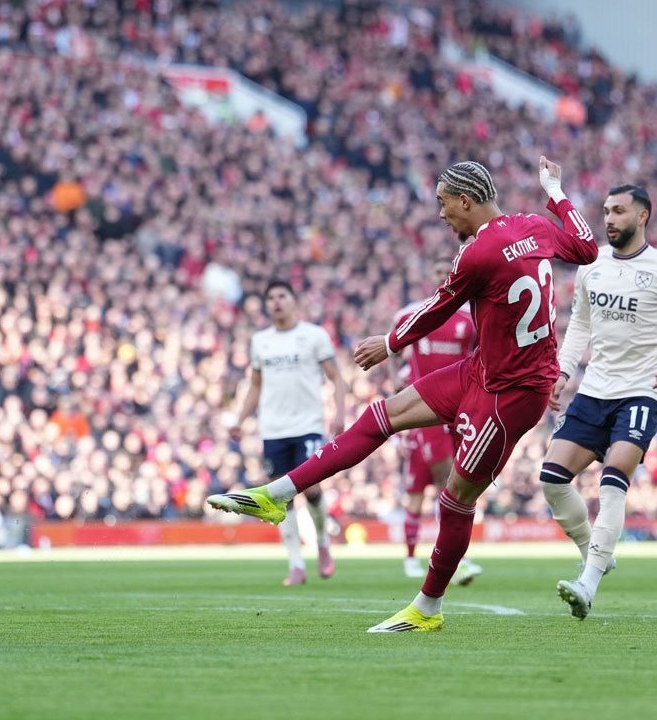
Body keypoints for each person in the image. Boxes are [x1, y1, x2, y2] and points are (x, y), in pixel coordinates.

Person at [208, 157, 599, 632]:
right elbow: (587, 246)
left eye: (443, 205)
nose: (440, 215)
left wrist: (390, 343)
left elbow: (438, 307)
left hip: (511, 394)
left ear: (465, 201)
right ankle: (277, 494)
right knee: (382, 415)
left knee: (455, 498)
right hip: (483, 370)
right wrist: (555, 191)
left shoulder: (477, 254)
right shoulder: (535, 226)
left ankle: (427, 609)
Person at [543, 184, 657, 619]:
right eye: (605, 211)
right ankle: (594, 550)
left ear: (643, 216)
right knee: (551, 478)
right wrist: (563, 371)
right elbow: (579, 325)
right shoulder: (591, 264)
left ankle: (589, 582)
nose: (609, 218)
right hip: (595, 388)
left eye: (619, 211)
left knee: (614, 474)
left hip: (643, 390)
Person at [229, 280, 346, 586]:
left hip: (308, 426)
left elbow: (336, 377)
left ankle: (322, 542)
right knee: (280, 499)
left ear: (294, 301)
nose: (276, 302)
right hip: (273, 430)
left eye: (282, 296)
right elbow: (255, 384)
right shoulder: (260, 341)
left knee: (313, 490)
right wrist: (240, 419)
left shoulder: (313, 335)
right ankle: (295, 564)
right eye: (270, 298)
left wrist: (340, 414)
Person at [388, 261, 480, 582]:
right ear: (430, 276)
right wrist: (399, 389)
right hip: (426, 413)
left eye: (448, 272)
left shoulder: (471, 318)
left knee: (453, 483)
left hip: (460, 412)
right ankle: (446, 560)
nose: (443, 277)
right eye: (437, 272)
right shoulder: (412, 314)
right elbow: (392, 353)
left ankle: (442, 558)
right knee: (445, 482)